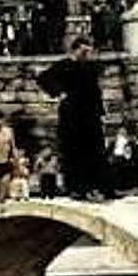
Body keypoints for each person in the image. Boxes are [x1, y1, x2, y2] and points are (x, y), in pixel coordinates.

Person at [38, 36, 112, 201]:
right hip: (72, 115)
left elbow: (95, 90)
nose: (87, 54)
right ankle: (76, 187)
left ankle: (97, 186)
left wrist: (101, 112)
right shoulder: (64, 65)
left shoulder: (90, 67)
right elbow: (43, 79)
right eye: (84, 51)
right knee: (73, 151)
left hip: (91, 115)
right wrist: (59, 93)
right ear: (76, 49)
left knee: (96, 151)